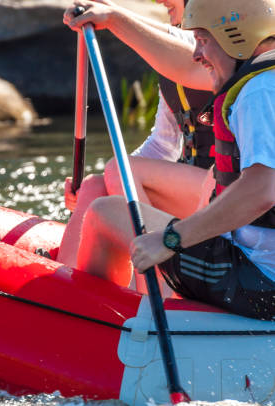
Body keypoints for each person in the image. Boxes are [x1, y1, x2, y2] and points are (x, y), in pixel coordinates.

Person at [72, 0, 275, 320]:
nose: (197, 54)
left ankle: (89, 332)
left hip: (258, 284)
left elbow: (262, 192)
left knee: (105, 215)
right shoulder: (264, 81)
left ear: (237, 37)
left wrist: (171, 239)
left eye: (203, 41)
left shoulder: (259, 90)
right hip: (259, 269)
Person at [57, 0, 217, 273]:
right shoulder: (173, 56)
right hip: (193, 186)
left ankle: (161, 282)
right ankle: (66, 288)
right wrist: (112, 179)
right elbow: (163, 145)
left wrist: (115, 18)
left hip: (228, 193)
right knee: (97, 186)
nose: (159, 1)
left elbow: (190, 51)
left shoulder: (227, 53)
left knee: (121, 171)